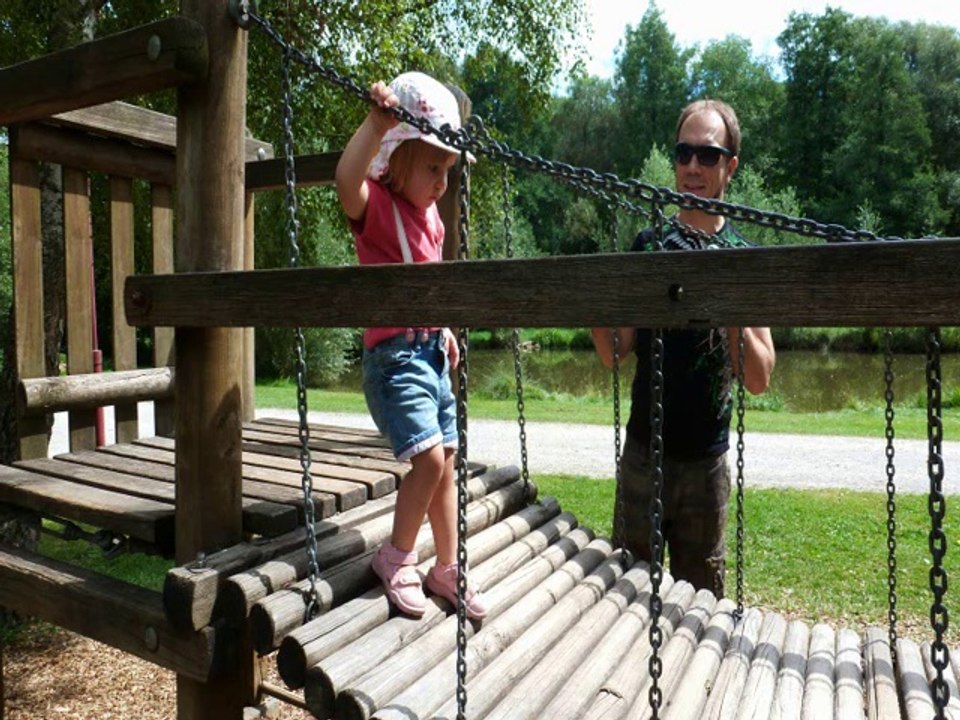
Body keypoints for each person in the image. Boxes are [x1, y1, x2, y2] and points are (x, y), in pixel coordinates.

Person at [591, 99, 776, 598]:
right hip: (641, 456)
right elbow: (613, 352)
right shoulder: (647, 245)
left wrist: (726, 295)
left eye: (708, 155)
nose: (693, 166)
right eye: (684, 153)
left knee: (701, 606)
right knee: (625, 598)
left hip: (706, 465)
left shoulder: (744, 258)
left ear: (730, 166)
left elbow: (758, 378)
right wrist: (594, 294)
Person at [335, 71, 488, 620]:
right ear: (396, 160)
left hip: (430, 356)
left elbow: (431, 288)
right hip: (394, 361)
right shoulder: (376, 207)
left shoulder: (432, 224)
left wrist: (443, 327)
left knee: (446, 461)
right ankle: (396, 557)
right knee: (425, 460)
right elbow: (345, 180)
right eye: (432, 166)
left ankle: (446, 565)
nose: (443, 182)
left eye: (448, 169)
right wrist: (376, 126)